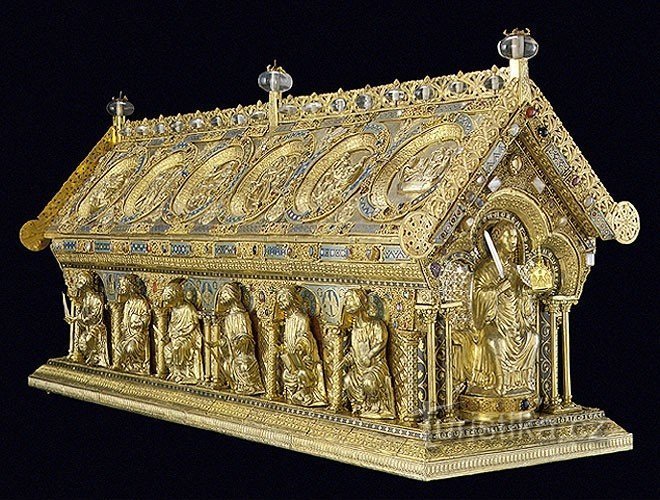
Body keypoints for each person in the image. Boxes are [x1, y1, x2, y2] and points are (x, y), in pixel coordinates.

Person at [470, 220, 539, 396]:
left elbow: (520, 288)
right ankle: (499, 381)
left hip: (514, 321)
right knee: (494, 341)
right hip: (495, 321)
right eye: (509, 237)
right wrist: (498, 289)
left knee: (533, 338)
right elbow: (478, 295)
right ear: (497, 239)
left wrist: (527, 290)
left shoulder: (512, 268)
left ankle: (521, 381)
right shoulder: (486, 268)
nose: (513, 241)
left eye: (515, 237)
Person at [342, 289, 396, 419]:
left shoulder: (376, 324)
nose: (347, 304)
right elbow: (355, 351)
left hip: (375, 366)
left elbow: (381, 341)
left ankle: (378, 408)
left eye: (351, 300)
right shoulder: (354, 329)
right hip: (359, 368)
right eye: (346, 301)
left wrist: (369, 355)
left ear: (361, 302)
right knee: (348, 380)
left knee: (368, 382)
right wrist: (347, 359)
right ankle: (361, 406)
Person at [275, 288, 327, 406]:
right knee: (286, 374)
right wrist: (281, 348)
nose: (281, 303)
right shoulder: (288, 320)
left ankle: (307, 394)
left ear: (291, 300)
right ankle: (294, 395)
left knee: (302, 374)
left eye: (283, 300)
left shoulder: (301, 319)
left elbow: (305, 337)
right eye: (279, 301)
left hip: (305, 358)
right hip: (292, 358)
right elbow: (287, 340)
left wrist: (300, 346)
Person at [216, 283, 264, 395]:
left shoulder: (242, 315)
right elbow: (226, 337)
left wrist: (241, 342)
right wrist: (221, 342)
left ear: (232, 295)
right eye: (221, 295)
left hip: (243, 351)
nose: (221, 297)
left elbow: (247, 336)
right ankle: (237, 384)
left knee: (243, 364)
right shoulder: (227, 317)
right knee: (226, 365)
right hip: (232, 351)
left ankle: (250, 386)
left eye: (224, 294)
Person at [65, 270, 110, 367]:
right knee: (82, 340)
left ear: (87, 283)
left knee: (88, 339)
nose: (78, 284)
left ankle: (96, 358)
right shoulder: (85, 299)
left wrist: (81, 319)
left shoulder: (96, 298)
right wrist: (75, 319)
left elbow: (95, 316)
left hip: (97, 327)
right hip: (88, 327)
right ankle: (90, 357)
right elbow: (83, 313)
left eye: (81, 281)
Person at [162, 281, 203, 384]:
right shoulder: (174, 310)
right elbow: (172, 326)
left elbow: (193, 325)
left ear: (175, 297)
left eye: (169, 300)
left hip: (188, 338)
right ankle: (175, 373)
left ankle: (187, 375)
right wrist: (168, 335)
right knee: (167, 349)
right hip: (176, 338)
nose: (168, 304)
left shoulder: (188, 308)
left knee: (177, 348)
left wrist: (181, 334)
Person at [111, 274, 151, 374]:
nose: (121, 288)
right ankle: (125, 366)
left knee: (130, 348)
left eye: (123, 286)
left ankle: (137, 367)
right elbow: (125, 320)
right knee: (118, 348)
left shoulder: (141, 302)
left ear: (130, 287)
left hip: (138, 334)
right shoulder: (128, 303)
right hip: (128, 334)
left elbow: (146, 316)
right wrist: (122, 327)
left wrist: (139, 323)